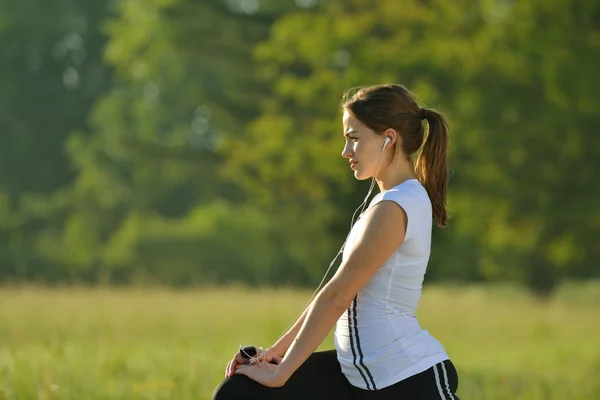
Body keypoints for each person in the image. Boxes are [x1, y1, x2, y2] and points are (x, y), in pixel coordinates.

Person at [213, 83, 460, 399]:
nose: (346, 152)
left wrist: (281, 372)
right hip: (358, 376)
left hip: (407, 380)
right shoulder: (390, 202)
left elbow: (338, 296)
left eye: (354, 139)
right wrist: (274, 354)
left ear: (389, 138)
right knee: (240, 392)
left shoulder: (397, 206)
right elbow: (331, 294)